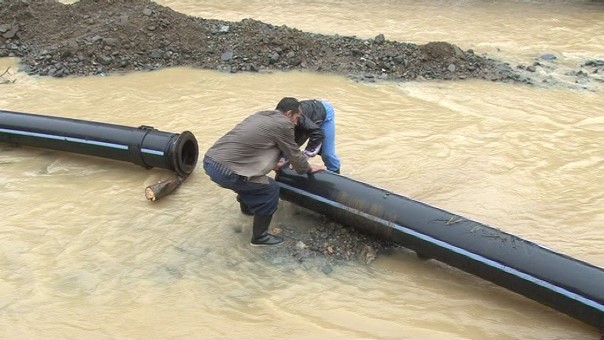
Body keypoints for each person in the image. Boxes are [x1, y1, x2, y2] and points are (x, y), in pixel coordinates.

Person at [203, 97, 325, 246]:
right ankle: (260, 237)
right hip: (226, 171)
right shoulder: (283, 123)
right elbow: (293, 152)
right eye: (296, 118)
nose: (296, 123)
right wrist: (308, 168)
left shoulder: (260, 116)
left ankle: (247, 212)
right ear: (288, 113)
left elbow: (254, 147)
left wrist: (274, 163)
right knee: (270, 189)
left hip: (210, 162)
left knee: (251, 182)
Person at [295, 99, 341, 173]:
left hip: (324, 113)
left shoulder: (299, 119)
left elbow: (317, 134)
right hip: (310, 116)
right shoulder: (279, 123)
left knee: (327, 154)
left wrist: (303, 161)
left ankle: (336, 175)